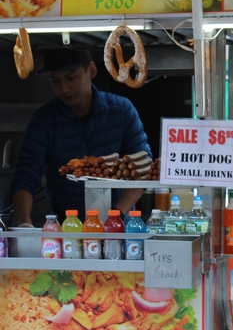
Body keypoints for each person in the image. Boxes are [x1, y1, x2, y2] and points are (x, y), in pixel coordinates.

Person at [10, 48, 152, 225]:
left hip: (119, 225)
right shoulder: (44, 120)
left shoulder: (122, 110)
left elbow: (143, 166)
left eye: (71, 78)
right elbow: (27, 173)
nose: (64, 88)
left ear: (91, 71)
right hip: (68, 226)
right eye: (55, 81)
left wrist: (116, 216)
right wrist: (24, 223)